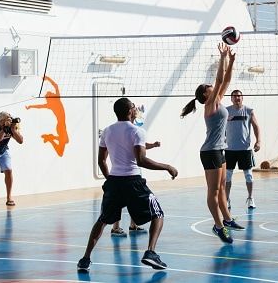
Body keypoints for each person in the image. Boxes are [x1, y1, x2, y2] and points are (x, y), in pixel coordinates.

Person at [77, 98, 178, 272]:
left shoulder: (107, 131)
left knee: (102, 220)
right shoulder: (137, 131)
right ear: (130, 111)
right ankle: (150, 252)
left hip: (114, 182)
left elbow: (101, 160)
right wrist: (167, 167)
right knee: (158, 213)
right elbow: (141, 160)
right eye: (133, 106)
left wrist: (110, 179)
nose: (135, 108)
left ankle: (85, 259)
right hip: (133, 181)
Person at [180, 42, 245, 244]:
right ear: (205, 95)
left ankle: (227, 219)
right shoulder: (209, 104)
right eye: (209, 87)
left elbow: (225, 80)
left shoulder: (217, 100)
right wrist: (222, 57)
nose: (213, 86)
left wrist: (231, 61)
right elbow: (219, 79)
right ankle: (218, 226)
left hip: (219, 150)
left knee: (223, 188)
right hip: (210, 152)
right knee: (214, 191)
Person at [110, 140, 161, 237]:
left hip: (133, 175)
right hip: (122, 175)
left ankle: (133, 225)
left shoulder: (133, 133)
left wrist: (153, 145)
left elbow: (141, 145)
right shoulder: (123, 135)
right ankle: (115, 228)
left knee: (134, 201)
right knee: (118, 202)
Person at [225, 89, 261, 210]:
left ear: (242, 98)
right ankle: (226, 199)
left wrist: (258, 141)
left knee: (249, 176)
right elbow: (220, 127)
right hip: (229, 150)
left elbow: (256, 126)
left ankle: (251, 198)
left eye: (239, 96)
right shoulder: (226, 111)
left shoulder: (249, 111)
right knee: (227, 177)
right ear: (231, 98)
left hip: (245, 149)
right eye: (234, 96)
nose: (237, 98)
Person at [25, 76, 69, 157]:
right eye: (50, 93)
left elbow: (39, 106)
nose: (52, 93)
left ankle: (50, 138)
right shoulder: (56, 100)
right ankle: (50, 138)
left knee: (66, 142)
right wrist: (48, 79)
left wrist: (30, 106)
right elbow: (55, 86)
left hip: (61, 125)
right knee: (61, 151)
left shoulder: (51, 104)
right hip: (61, 126)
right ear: (50, 97)